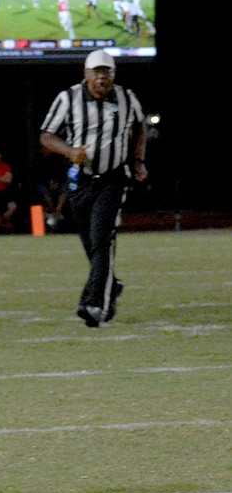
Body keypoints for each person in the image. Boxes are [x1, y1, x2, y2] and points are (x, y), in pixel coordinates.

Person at [39, 49, 148, 327]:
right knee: (90, 243)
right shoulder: (69, 97)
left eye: (106, 72)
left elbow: (139, 127)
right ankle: (111, 283)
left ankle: (95, 304)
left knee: (102, 240)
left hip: (113, 179)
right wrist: (70, 151)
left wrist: (137, 161)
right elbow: (47, 135)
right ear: (86, 74)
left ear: (113, 75)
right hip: (80, 179)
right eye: (96, 71)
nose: (101, 77)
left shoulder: (126, 97)